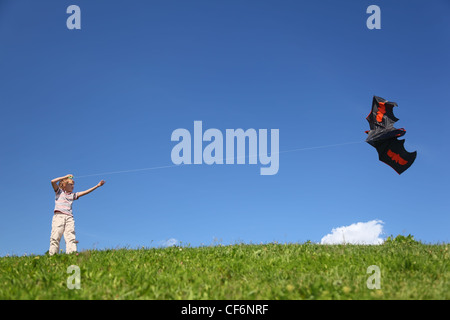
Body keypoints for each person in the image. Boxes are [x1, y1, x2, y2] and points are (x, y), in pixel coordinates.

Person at [49, 174, 105, 255]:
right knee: (55, 237)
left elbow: (85, 192)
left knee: (71, 237)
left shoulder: (72, 195)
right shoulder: (59, 192)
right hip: (59, 216)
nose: (73, 186)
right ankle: (52, 255)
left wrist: (97, 186)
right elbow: (53, 181)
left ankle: (71, 254)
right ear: (64, 185)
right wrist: (65, 177)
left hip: (69, 217)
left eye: (73, 184)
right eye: (71, 184)